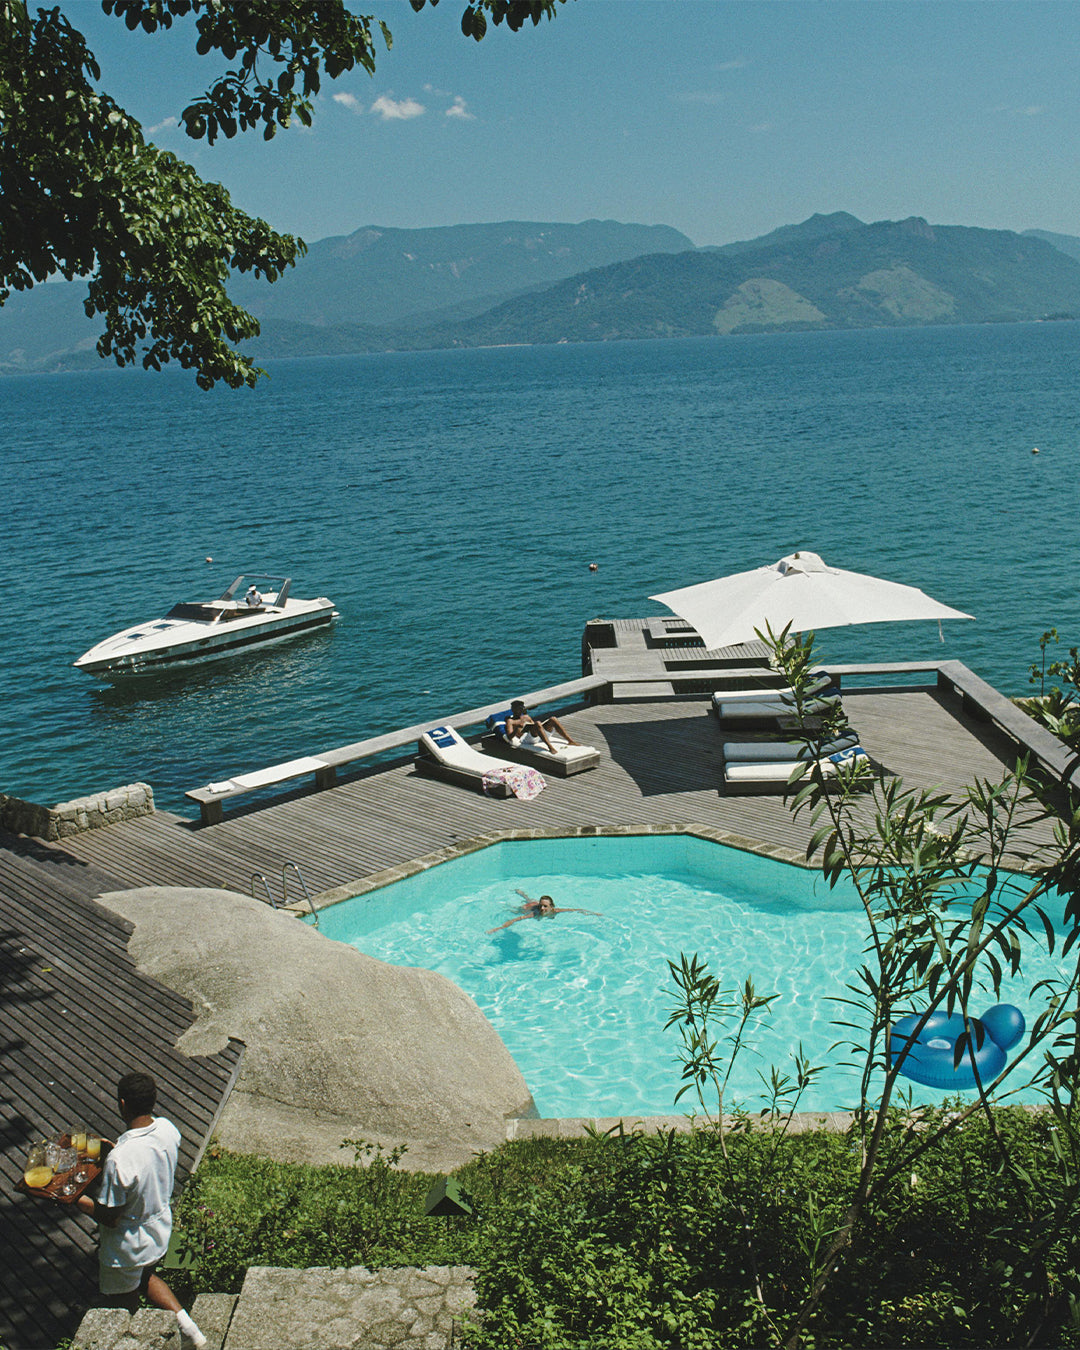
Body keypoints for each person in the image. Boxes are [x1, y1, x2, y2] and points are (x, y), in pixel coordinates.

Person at [75, 1072, 207, 1350]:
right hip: (158, 1230)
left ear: (122, 1104)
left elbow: (111, 1217)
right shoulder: (168, 1129)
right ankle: (190, 1330)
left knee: (122, 1309)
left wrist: (75, 1200)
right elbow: (146, 1160)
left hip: (128, 1247)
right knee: (145, 1276)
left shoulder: (120, 1159)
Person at [487, 889, 599, 933]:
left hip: (533, 904)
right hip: (527, 908)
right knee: (515, 910)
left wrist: (593, 913)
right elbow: (516, 919)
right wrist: (499, 928)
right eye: (541, 906)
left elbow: (576, 910)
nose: (542, 909)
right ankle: (517, 898)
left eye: (545, 906)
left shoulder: (556, 911)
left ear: (551, 907)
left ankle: (522, 894)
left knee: (531, 900)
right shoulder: (534, 914)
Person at [503, 700, 581, 755]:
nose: (520, 711)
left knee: (553, 719)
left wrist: (537, 726)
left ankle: (570, 741)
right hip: (526, 740)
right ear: (513, 710)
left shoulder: (526, 717)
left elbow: (534, 726)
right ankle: (550, 747)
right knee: (538, 723)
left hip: (537, 736)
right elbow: (509, 737)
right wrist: (516, 729)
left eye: (521, 709)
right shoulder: (511, 721)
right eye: (518, 709)